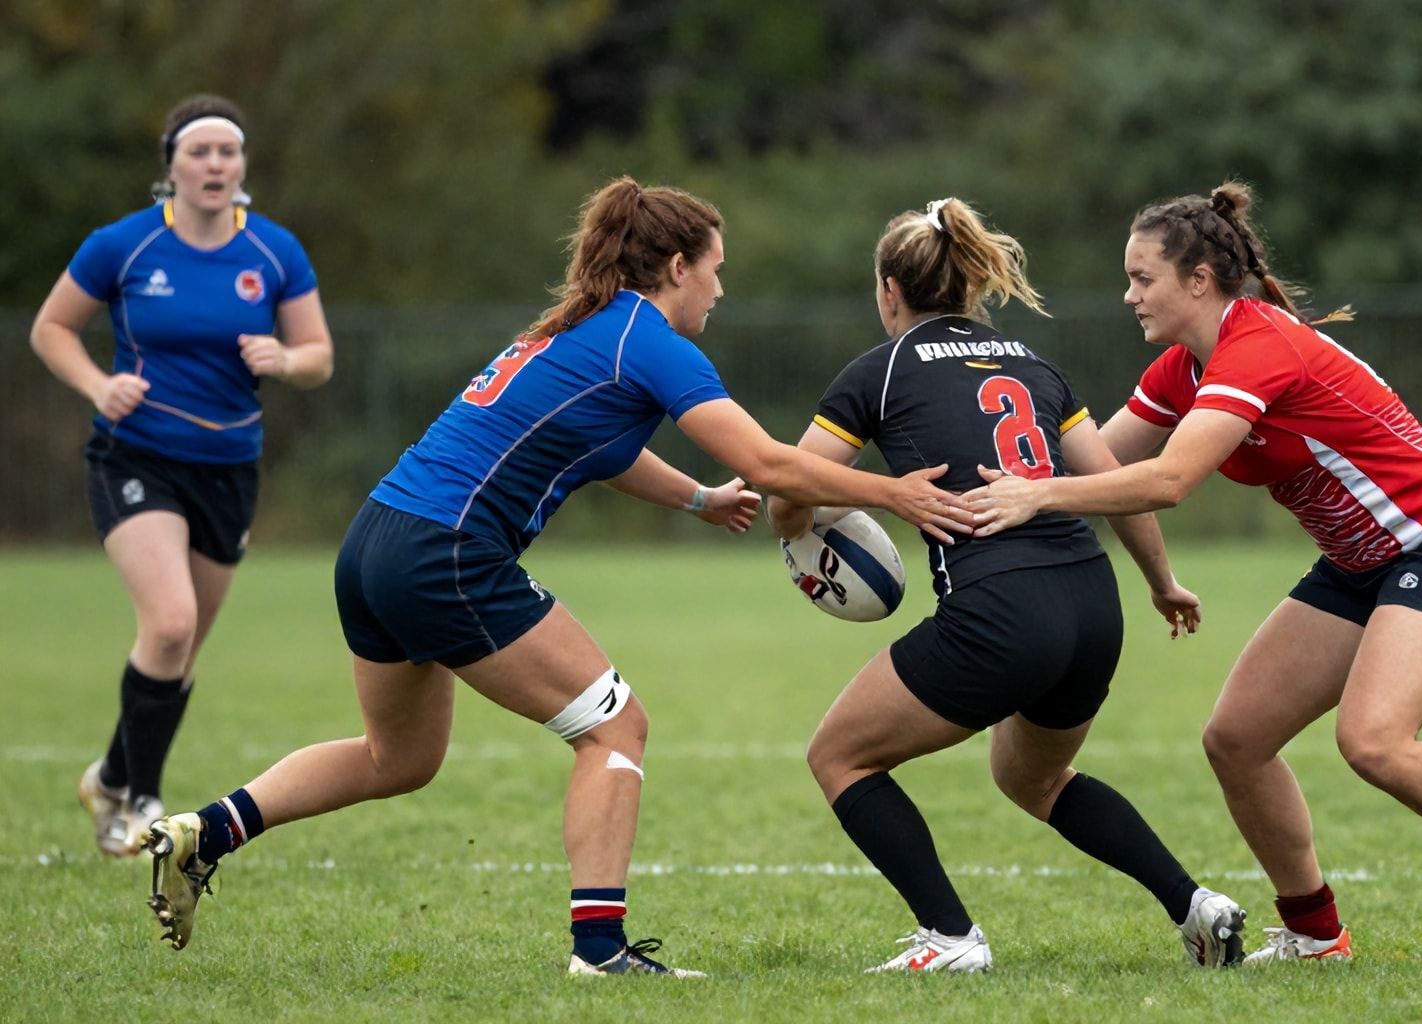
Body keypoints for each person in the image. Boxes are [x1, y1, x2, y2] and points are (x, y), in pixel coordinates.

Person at [138, 177, 974, 977]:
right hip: (446, 552)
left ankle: (205, 833)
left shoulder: (579, 329)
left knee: (397, 757)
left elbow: (602, 451)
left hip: (375, 542)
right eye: (716, 270)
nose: (719, 290)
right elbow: (769, 461)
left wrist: (696, 499)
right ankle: (600, 950)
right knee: (617, 728)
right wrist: (889, 490)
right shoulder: (646, 339)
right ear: (678, 268)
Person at [964, 183, 1422, 970]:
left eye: (1141, 277)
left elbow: (1166, 481)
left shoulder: (1257, 348)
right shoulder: (1182, 369)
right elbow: (1096, 460)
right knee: (1237, 739)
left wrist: (1038, 494)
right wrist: (969, 479)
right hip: (1360, 564)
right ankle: (1316, 935)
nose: (1128, 295)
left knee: (1374, 741)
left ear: (1197, 279)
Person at [768, 198, 1247, 973]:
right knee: (1034, 776)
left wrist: (815, 523)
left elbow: (788, 493)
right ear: (967, 286)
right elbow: (1115, 481)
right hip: (1094, 606)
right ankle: (1196, 908)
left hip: (1002, 612)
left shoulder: (879, 371)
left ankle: (950, 939)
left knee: (839, 756)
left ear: (891, 289)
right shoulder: (1034, 362)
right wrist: (1163, 581)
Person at [28, 95, 334, 857]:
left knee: (182, 650)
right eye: (199, 151)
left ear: (242, 167)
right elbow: (51, 328)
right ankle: (137, 801)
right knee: (168, 624)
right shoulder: (123, 246)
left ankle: (110, 775)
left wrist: (284, 360)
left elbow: (318, 356)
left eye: (228, 152)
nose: (215, 165)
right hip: (135, 457)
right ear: (170, 164)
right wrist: (100, 388)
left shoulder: (273, 252)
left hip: (229, 468)